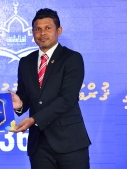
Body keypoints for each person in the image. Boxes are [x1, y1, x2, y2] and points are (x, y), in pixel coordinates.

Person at [10, 8, 91, 169]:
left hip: (70, 143)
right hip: (39, 145)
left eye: (48, 28)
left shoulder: (72, 58)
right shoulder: (26, 62)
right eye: (38, 29)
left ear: (58, 31)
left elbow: (68, 99)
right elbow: (25, 96)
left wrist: (34, 120)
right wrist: (19, 104)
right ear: (32, 33)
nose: (42, 33)